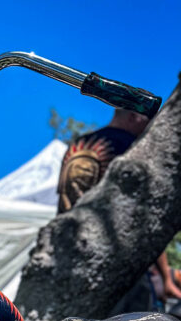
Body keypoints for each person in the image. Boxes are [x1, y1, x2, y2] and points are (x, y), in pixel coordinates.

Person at [56, 109, 181, 310]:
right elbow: (145, 217)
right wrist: (166, 276)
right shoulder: (132, 149)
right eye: (148, 121)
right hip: (115, 265)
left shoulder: (79, 144)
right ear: (135, 116)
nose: (148, 129)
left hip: (65, 253)